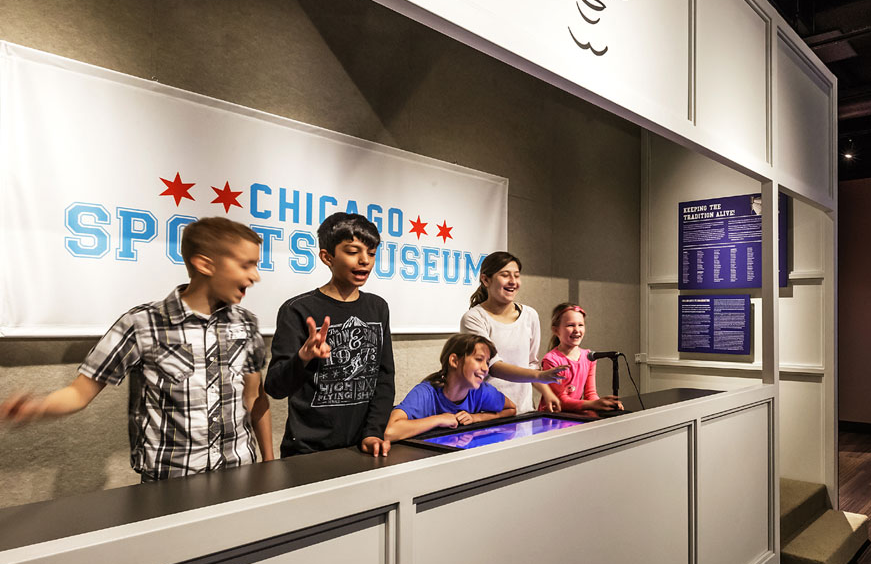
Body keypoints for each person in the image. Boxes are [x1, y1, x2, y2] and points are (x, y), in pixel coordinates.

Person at [0, 217, 273, 481]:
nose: (256, 276)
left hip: (240, 475)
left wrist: (268, 463)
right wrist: (35, 408)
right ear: (204, 264)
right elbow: (78, 393)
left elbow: (254, 398)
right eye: (246, 265)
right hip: (170, 483)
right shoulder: (141, 323)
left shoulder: (246, 323)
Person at [266, 212, 394, 457]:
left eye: (372, 253)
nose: (364, 260)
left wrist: (374, 431)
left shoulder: (378, 307)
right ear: (327, 257)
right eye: (353, 251)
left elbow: (384, 377)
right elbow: (274, 387)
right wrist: (303, 357)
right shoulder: (298, 309)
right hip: (307, 451)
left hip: (362, 447)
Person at [460, 251, 566, 413]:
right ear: (485, 280)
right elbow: (492, 366)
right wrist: (539, 376)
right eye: (505, 275)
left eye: (516, 276)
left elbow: (531, 364)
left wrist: (547, 392)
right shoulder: (474, 318)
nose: (513, 282)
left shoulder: (530, 315)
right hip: (488, 412)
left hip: (523, 410)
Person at [385, 334, 516, 441]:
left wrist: (476, 418)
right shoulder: (425, 393)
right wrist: (439, 419)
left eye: (487, 362)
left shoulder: (481, 391)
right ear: (454, 361)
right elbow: (390, 431)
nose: (485, 368)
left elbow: (511, 409)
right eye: (478, 359)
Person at [539, 302, 622, 415]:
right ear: (556, 330)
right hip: (552, 417)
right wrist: (592, 405)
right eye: (570, 325)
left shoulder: (589, 357)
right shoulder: (551, 360)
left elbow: (590, 393)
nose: (577, 330)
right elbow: (560, 400)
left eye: (580, 325)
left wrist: (603, 404)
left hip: (574, 414)